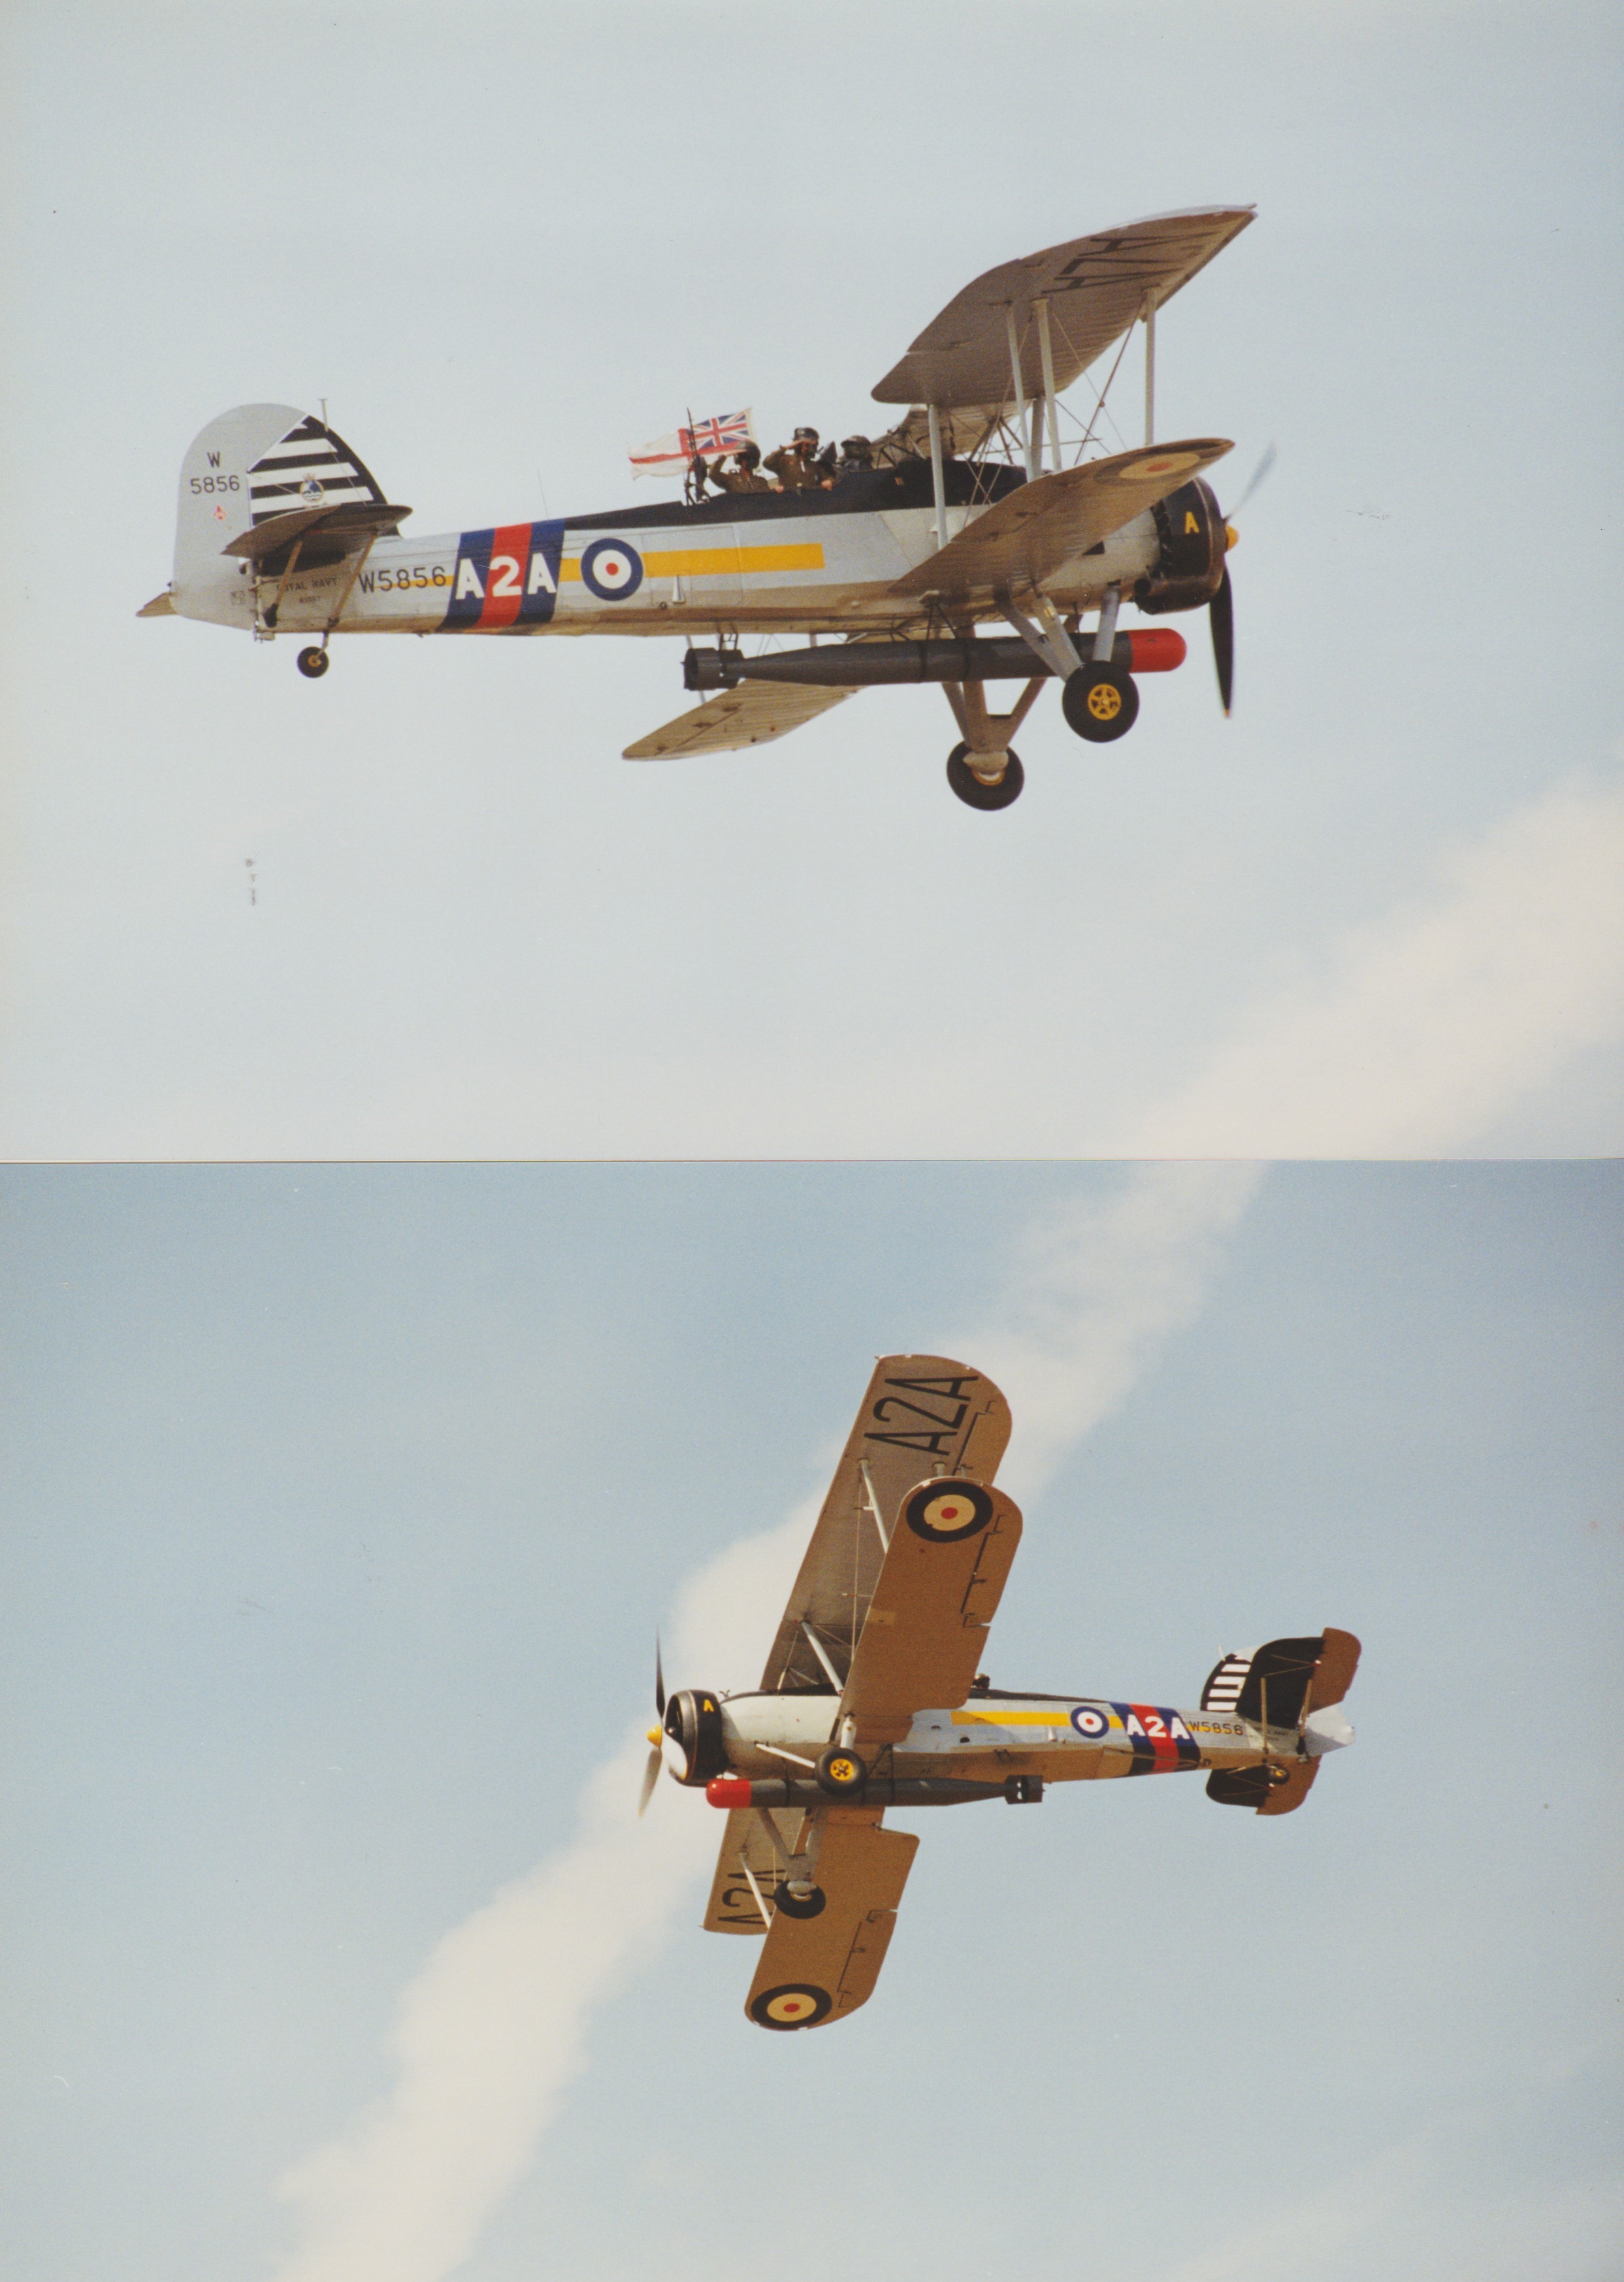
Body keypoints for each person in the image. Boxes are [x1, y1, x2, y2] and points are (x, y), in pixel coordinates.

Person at [691, 442, 771, 495]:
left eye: (750, 459)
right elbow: (713, 474)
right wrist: (723, 457)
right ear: (740, 461)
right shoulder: (731, 479)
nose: (748, 462)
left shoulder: (761, 481)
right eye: (745, 459)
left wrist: (775, 491)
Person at [763, 426, 826, 491]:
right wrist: (786, 447)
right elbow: (767, 463)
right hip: (790, 499)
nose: (808, 448)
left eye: (812, 446)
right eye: (806, 445)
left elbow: (829, 477)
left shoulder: (816, 466)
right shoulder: (784, 461)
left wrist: (829, 481)